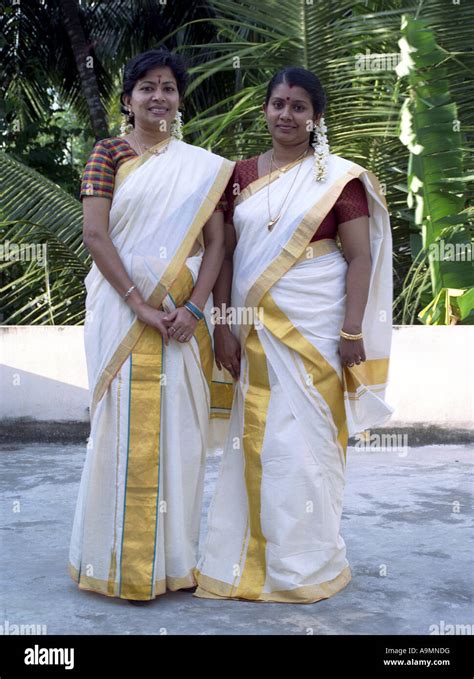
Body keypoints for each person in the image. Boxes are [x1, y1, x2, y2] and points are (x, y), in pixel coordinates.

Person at [194, 67, 393, 604]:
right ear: (265, 109)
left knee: (307, 448)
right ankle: (243, 561)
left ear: (316, 118)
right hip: (250, 331)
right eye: (277, 103)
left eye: (298, 106)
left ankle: (304, 563)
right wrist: (224, 327)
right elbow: (227, 256)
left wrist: (353, 329)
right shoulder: (236, 176)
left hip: (319, 331)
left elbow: (360, 258)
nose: (286, 114)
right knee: (257, 442)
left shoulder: (340, 180)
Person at [68, 48, 234, 603]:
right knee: (117, 433)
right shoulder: (107, 153)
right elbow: (96, 236)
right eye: (146, 87)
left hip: (183, 319)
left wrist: (194, 309)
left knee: (180, 438)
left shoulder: (202, 166)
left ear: (178, 100)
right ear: (128, 99)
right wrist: (139, 303)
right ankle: (114, 562)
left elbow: (217, 243)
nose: (158, 96)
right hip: (122, 312)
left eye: (167, 87)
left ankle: (177, 562)